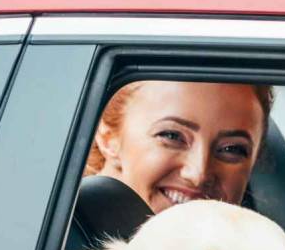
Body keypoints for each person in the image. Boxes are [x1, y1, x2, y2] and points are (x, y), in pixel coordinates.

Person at [84, 80, 272, 212]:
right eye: (172, 136)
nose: (197, 175)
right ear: (109, 138)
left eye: (231, 149)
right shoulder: (60, 249)